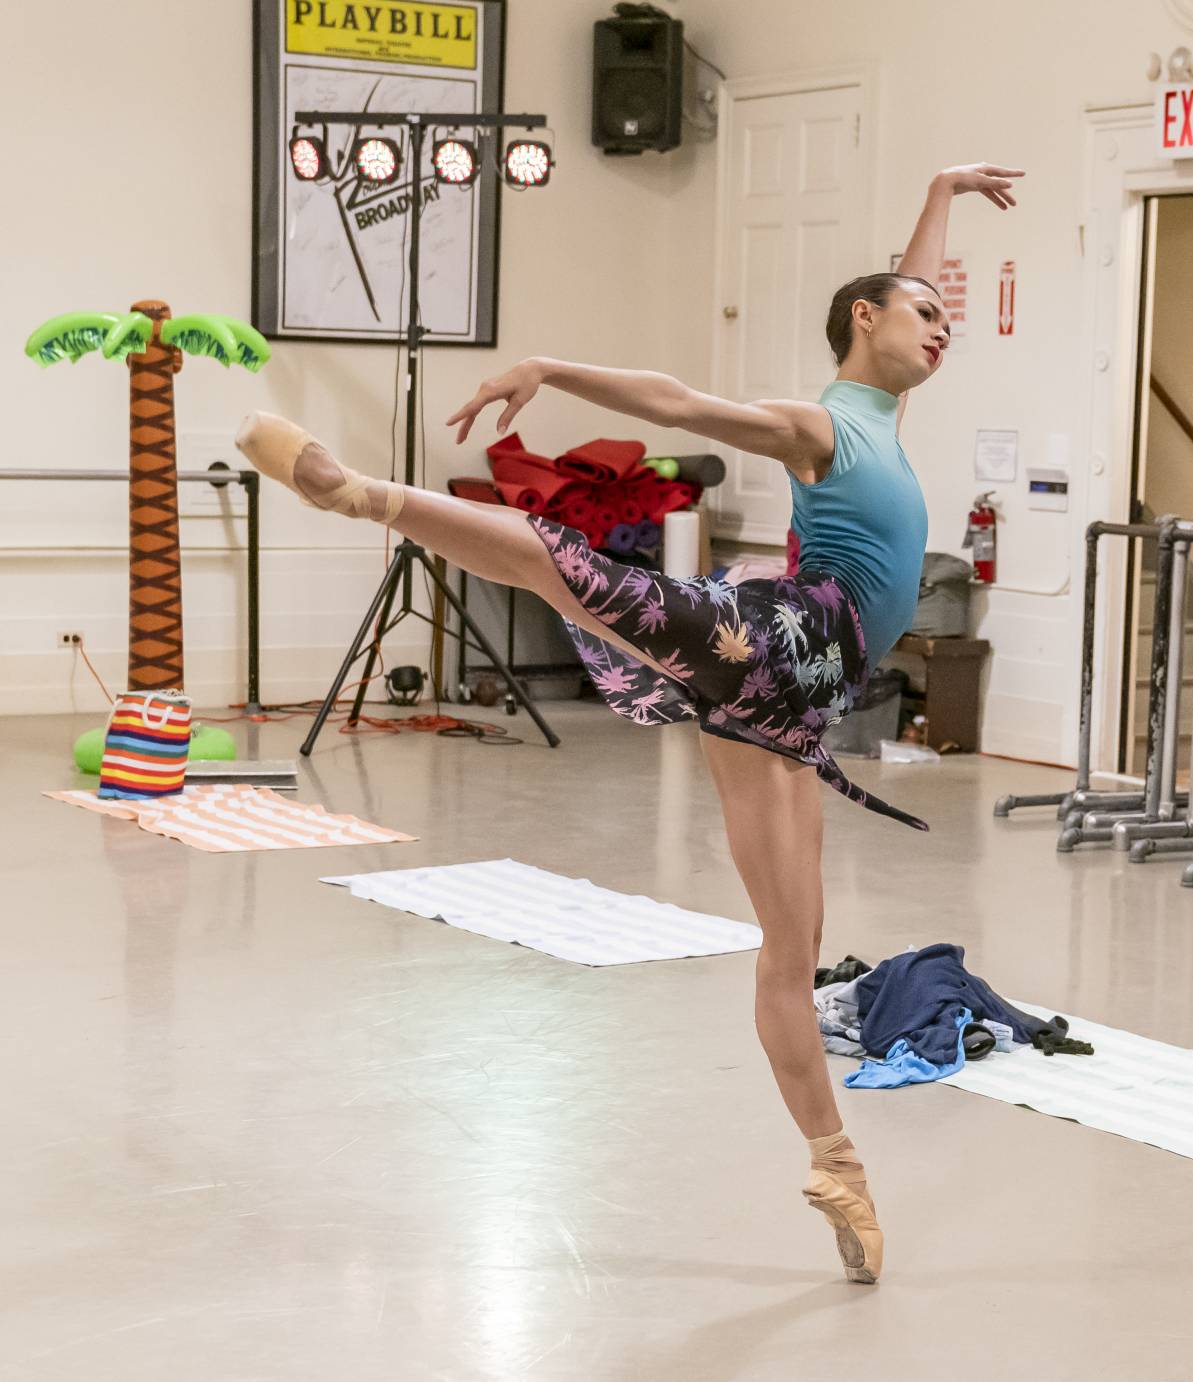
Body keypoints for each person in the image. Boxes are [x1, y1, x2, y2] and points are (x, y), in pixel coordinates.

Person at [235, 161, 1023, 1285]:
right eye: (926, 311)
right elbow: (675, 403)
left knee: (789, 957)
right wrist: (552, 366)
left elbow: (905, 270)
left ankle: (835, 1166)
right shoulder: (824, 423)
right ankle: (366, 493)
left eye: (944, 313)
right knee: (593, 585)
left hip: (797, 704)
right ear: (864, 320)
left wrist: (940, 186)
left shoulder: (886, 409)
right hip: (786, 638)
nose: (943, 325)